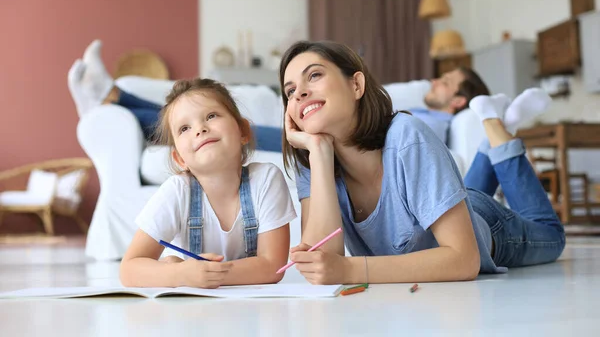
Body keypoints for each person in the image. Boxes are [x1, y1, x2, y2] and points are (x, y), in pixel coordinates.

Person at [279, 40, 564, 285]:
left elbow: (464, 259)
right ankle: (496, 132)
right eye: (290, 91)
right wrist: (318, 152)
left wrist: (352, 269)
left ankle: (496, 130)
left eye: (314, 75)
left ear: (356, 84)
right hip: (441, 202)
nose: (299, 93)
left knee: (551, 234)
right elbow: (323, 261)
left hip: (485, 227)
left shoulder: (406, 136)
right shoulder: (314, 159)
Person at [119, 78, 297, 288]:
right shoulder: (178, 191)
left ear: (243, 132)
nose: (200, 129)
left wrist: (210, 275)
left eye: (211, 116)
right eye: (184, 128)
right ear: (180, 159)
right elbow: (128, 269)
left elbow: (273, 266)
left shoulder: (266, 179)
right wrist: (178, 274)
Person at [67, 40, 282, 150]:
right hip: (284, 133)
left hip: (288, 141)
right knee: (181, 115)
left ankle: (106, 100)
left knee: (187, 125)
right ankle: (110, 95)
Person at [410, 67, 490, 145]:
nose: (433, 81)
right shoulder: (423, 115)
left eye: (445, 82)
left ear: (457, 101)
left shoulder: (431, 126)